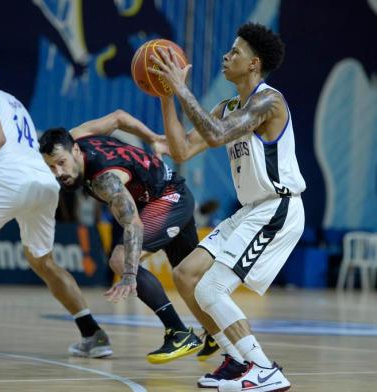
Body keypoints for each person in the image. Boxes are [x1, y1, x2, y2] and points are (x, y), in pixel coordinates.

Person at [149, 22, 305, 391]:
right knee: (186, 275)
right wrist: (166, 95)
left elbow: (217, 136)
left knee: (212, 289)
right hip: (251, 210)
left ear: (253, 64)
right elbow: (182, 149)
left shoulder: (269, 101)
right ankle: (235, 358)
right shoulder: (228, 106)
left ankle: (264, 368)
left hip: (277, 209)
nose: (226, 55)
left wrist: (184, 88)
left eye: (235, 52)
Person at [38, 115, 207, 364]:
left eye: (62, 163)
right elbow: (118, 117)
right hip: (163, 192)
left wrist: (128, 274)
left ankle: (179, 332)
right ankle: (215, 334)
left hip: (167, 198)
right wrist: (152, 138)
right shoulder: (78, 132)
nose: (59, 173)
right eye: (52, 167)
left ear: (75, 149)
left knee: (119, 260)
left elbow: (133, 223)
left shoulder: (105, 180)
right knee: (190, 276)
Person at [0, 41, 111, 359]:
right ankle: (92, 333)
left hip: (10, 177)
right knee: (42, 261)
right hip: (43, 182)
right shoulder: (11, 100)